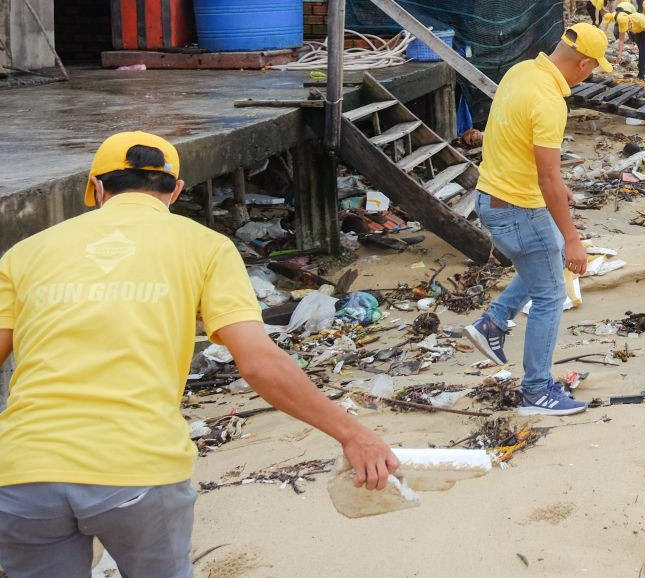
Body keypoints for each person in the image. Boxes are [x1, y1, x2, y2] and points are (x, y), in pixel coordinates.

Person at [0, 132, 398, 576]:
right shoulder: (204, 246)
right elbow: (258, 362)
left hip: (23, 472)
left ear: (96, 188)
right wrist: (351, 434)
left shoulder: (25, 253)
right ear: (174, 190)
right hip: (138, 468)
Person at [467, 24, 608, 416]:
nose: (589, 77)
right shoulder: (550, 100)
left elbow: (510, 135)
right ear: (582, 64)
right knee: (550, 294)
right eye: (592, 70)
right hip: (518, 209)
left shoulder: (522, 71)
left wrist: (555, 188)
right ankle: (537, 390)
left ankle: (493, 323)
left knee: (545, 262)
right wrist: (575, 237)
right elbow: (548, 175)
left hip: (492, 195)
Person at [623, 10, 645, 78]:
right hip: (639, 31)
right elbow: (624, 35)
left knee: (643, 53)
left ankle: (641, 76)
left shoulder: (638, 19)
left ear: (629, 22)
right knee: (643, 51)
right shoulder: (623, 21)